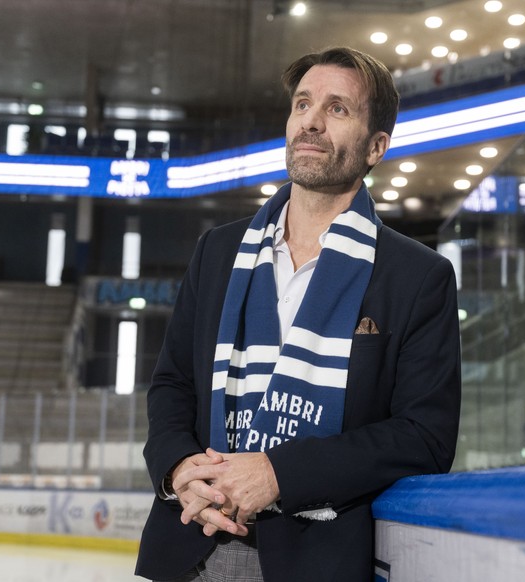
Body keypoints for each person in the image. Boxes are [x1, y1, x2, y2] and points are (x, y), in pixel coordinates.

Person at [135, 46, 461, 582]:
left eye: (337, 109)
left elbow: (423, 436)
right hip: (186, 542)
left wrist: (278, 473)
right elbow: (172, 384)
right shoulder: (219, 250)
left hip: (311, 556)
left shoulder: (416, 276)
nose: (310, 120)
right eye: (302, 104)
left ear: (376, 146)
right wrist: (177, 468)